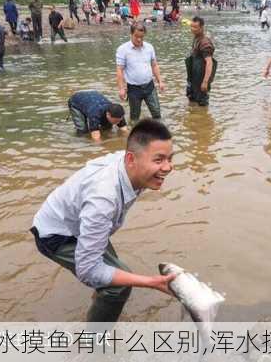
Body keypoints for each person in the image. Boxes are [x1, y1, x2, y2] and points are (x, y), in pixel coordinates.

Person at [30, 119, 176, 323]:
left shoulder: (132, 166)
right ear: (131, 159)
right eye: (159, 160)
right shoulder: (103, 198)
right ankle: (92, 344)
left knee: (112, 273)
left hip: (77, 221)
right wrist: (151, 282)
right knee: (118, 286)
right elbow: (87, 270)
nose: (168, 167)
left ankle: (102, 298)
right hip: (56, 235)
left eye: (170, 158)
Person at [116, 23, 165, 121]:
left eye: (141, 37)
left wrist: (160, 81)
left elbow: (154, 65)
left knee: (156, 113)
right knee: (134, 117)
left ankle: (158, 133)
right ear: (131, 34)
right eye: (136, 36)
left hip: (149, 86)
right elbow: (119, 70)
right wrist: (121, 88)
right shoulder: (122, 49)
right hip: (133, 89)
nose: (139, 39)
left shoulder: (149, 47)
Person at [186, 16, 216, 106]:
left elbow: (209, 63)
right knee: (192, 98)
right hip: (193, 77)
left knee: (202, 103)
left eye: (195, 27)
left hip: (201, 78)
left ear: (202, 28)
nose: (192, 29)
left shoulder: (205, 43)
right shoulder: (196, 38)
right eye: (191, 26)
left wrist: (205, 82)